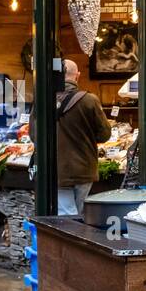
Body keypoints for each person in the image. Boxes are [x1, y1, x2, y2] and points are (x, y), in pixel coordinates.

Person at [46, 59, 111, 216]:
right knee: (80, 214)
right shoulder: (89, 100)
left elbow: (34, 135)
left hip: (56, 169)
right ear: (78, 76)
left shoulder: (44, 100)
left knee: (66, 214)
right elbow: (104, 134)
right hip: (84, 169)